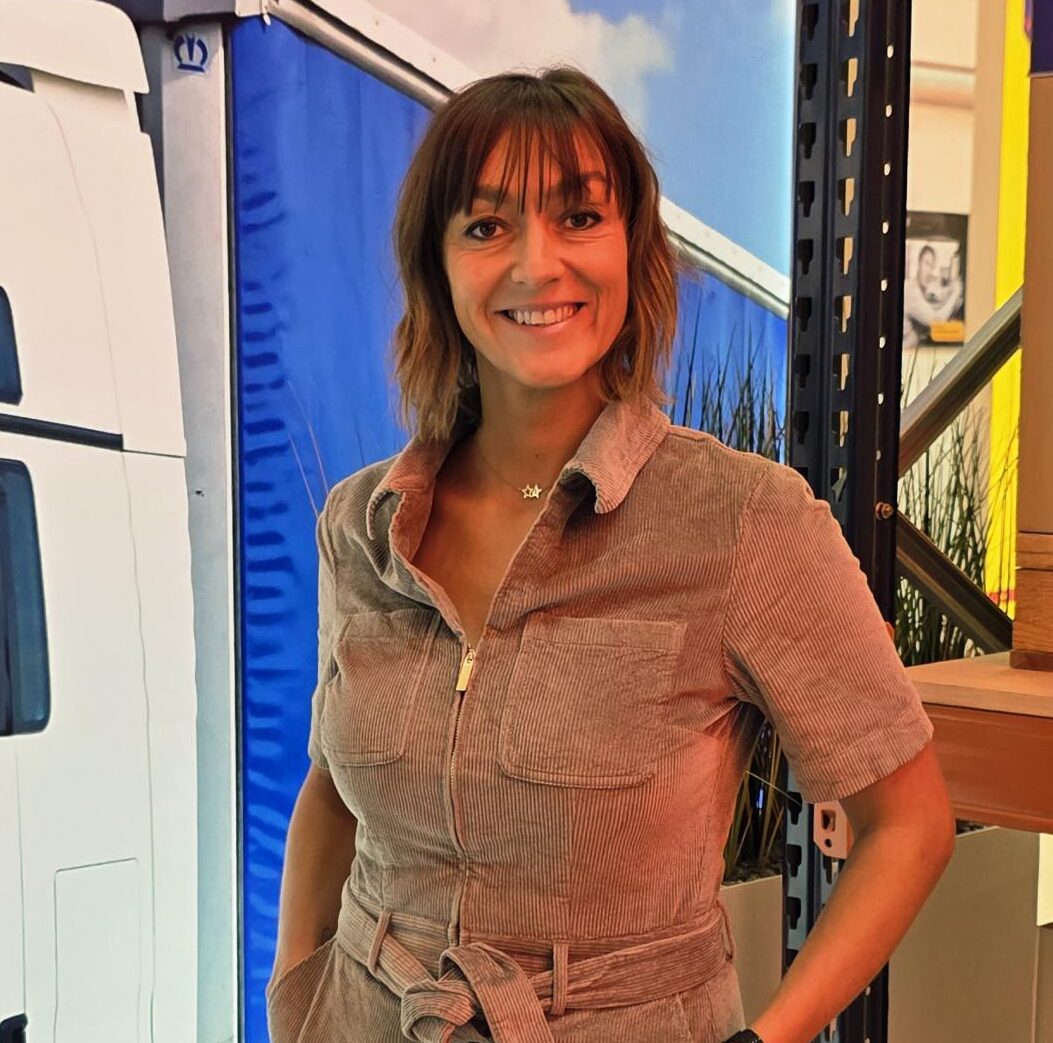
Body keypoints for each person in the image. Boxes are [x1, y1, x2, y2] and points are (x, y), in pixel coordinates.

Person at [266, 66, 955, 1043]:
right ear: (437, 267)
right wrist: (293, 994)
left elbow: (909, 823)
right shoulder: (361, 522)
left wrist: (768, 1038)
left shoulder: (743, 519)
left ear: (633, 247)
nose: (535, 264)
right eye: (486, 225)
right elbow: (332, 791)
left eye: (579, 217)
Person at [902, 243, 964, 350]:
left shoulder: (916, 287)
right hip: (906, 348)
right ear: (918, 264)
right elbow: (936, 321)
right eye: (926, 263)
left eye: (932, 266)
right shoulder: (910, 290)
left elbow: (930, 306)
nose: (929, 271)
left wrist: (949, 293)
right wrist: (955, 294)